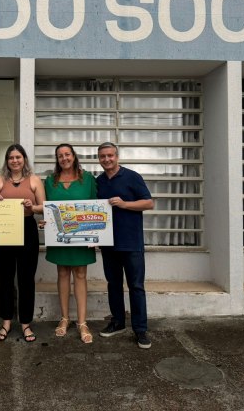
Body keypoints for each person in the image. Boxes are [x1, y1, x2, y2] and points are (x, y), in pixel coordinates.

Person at [96, 142, 154, 349]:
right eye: (103, 156)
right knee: (113, 285)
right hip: (108, 244)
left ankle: (140, 330)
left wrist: (125, 204)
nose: (107, 159)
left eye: (110, 155)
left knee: (136, 286)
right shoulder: (98, 182)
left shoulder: (132, 177)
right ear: (99, 159)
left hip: (131, 243)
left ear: (117, 156)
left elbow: (149, 203)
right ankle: (118, 322)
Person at [0, 144, 45, 343]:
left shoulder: (34, 180)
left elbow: (43, 207)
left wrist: (32, 206)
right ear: (7, 160)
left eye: (18, 157)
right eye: (11, 158)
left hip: (27, 229)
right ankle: (6, 322)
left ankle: (26, 323)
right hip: (4, 231)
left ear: (24, 159)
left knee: (26, 279)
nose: (15, 161)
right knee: (5, 278)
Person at [44, 143, 97, 344]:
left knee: (81, 274)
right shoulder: (50, 181)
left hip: (82, 236)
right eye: (60, 155)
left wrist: (96, 234)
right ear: (57, 159)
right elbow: (46, 208)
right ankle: (64, 318)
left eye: (67, 154)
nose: (64, 158)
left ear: (74, 156)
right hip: (59, 236)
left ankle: (82, 322)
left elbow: (96, 206)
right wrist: (44, 220)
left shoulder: (88, 179)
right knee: (63, 273)